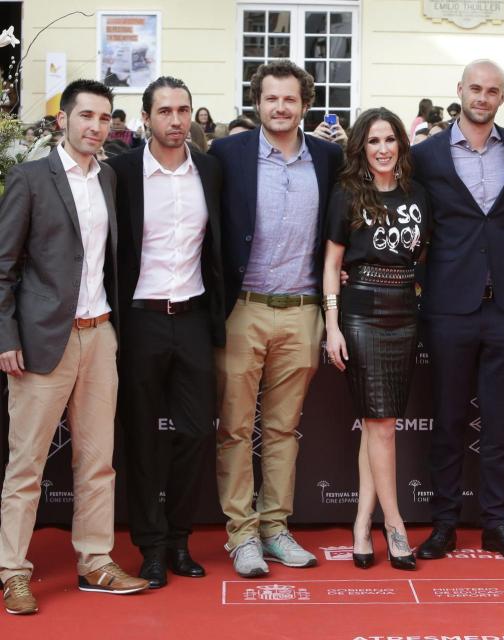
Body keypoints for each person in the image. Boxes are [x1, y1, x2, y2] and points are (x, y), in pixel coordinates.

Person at [0, 79, 149, 616]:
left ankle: (95, 560)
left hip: (99, 333)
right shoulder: (30, 178)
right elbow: (3, 268)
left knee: (96, 461)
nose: (96, 126)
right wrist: (6, 337)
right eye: (86, 115)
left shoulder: (108, 177)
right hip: (43, 341)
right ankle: (13, 571)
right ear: (63, 120)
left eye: (105, 117)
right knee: (26, 465)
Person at [209, 60, 343, 578]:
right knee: (236, 429)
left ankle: (276, 527)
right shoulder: (227, 154)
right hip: (243, 307)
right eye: (271, 99)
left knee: (284, 429)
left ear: (304, 105)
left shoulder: (329, 158)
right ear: (257, 102)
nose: (280, 108)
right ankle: (240, 535)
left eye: (290, 100)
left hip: (303, 310)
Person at [412, 59, 504, 562]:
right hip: (448, 305)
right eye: (475, 89)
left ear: (502, 98)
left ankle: (497, 525)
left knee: (502, 423)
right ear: (459, 91)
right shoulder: (426, 156)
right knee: (447, 421)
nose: (483, 98)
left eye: (493, 91)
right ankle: (444, 524)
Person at [106, 76, 225, 589]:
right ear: (146, 118)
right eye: (165, 111)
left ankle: (179, 538)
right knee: (141, 439)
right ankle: (150, 547)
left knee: (197, 433)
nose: (176, 120)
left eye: (183, 110)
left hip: (195, 315)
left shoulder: (212, 171)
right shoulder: (123, 173)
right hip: (140, 318)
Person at [323, 107, 431, 571]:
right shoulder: (347, 194)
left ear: (401, 146)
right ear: (361, 149)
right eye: (373, 142)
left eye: (390, 140)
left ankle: (361, 522)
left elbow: (420, 256)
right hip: (361, 314)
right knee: (383, 426)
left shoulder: (419, 195)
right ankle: (395, 524)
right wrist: (331, 325)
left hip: (404, 314)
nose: (383, 149)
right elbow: (331, 264)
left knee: (375, 425)